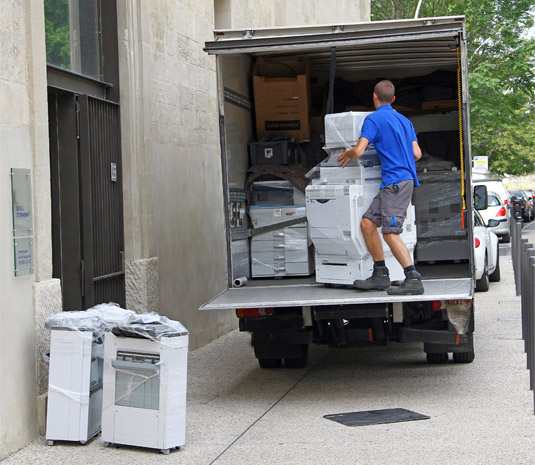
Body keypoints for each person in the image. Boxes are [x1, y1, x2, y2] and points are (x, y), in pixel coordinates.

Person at [337, 79, 423, 295]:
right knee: (367, 224)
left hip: (395, 183)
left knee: (390, 234)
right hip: (395, 183)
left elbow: (358, 151)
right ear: (393, 99)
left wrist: (347, 153)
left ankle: (413, 278)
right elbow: (417, 154)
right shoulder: (405, 121)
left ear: (374, 97)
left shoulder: (373, 119)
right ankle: (380, 274)